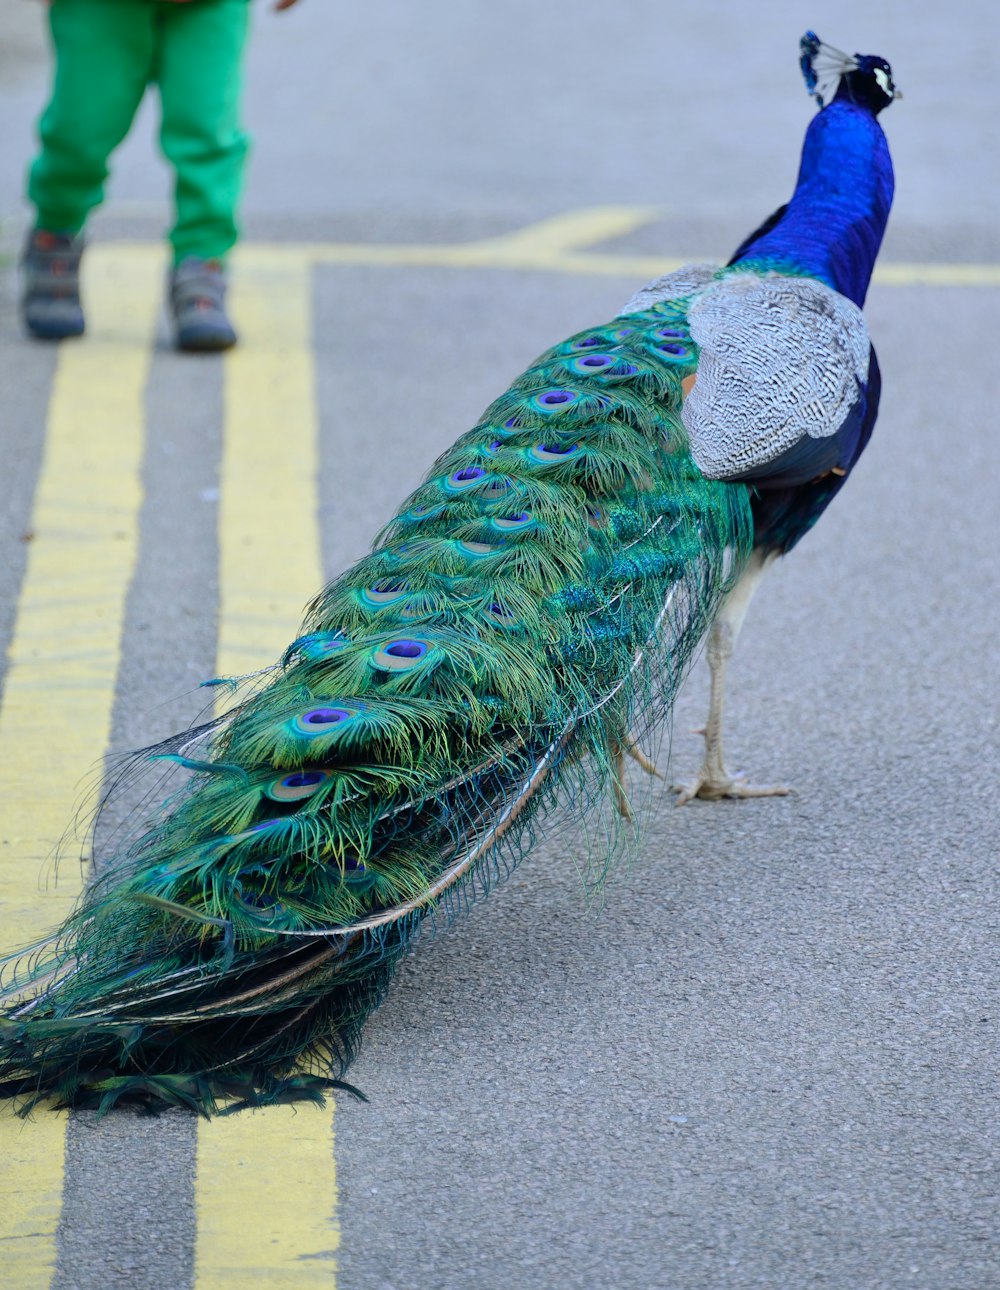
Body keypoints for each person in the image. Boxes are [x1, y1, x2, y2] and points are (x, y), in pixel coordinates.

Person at [21, 0, 300, 352]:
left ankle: (202, 261)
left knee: (208, 133)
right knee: (80, 129)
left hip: (209, 7)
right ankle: (55, 234)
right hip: (99, 7)